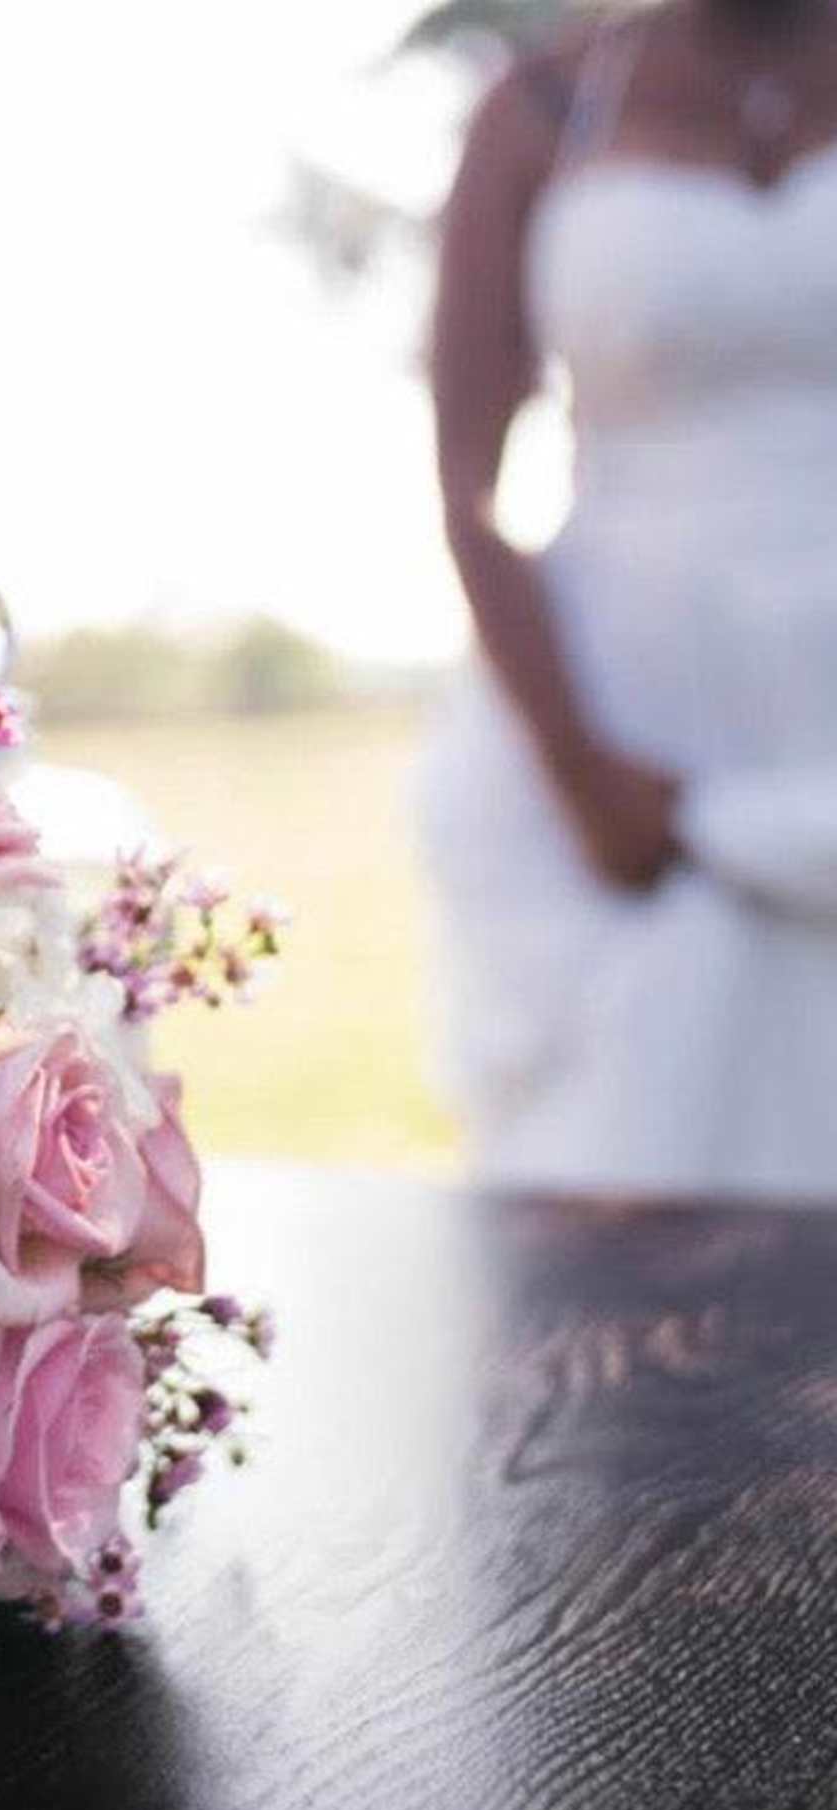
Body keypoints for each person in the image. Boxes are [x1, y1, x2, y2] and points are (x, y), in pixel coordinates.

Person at [422, 0, 837, 1197]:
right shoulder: (541, 106)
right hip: (625, 714)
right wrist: (576, 765)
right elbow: (465, 484)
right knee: (633, 1178)